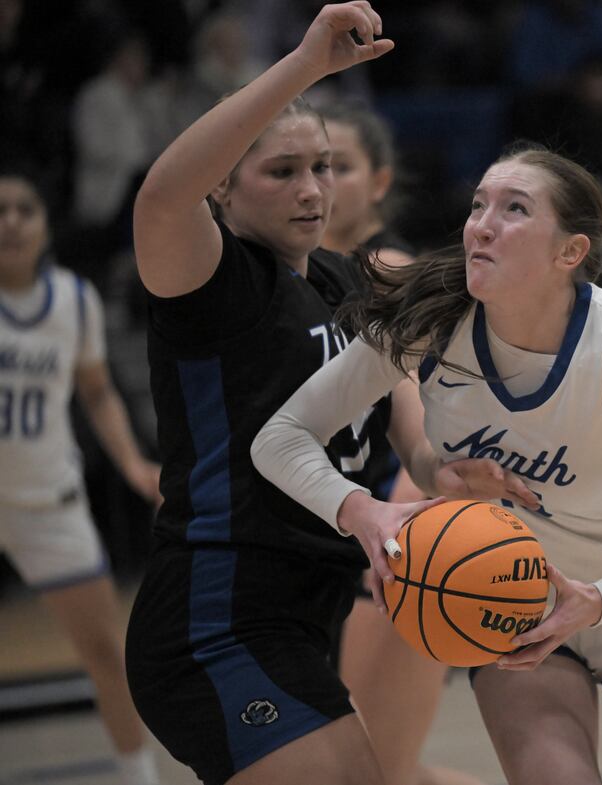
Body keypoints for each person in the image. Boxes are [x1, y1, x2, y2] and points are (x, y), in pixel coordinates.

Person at [252, 141, 602, 784]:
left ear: (569, 252)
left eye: (514, 209)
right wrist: (362, 511)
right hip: (509, 608)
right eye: (479, 204)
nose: (482, 224)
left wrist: (598, 600)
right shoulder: (426, 325)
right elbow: (280, 436)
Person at [124, 5, 534, 784]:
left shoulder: (349, 283)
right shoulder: (212, 281)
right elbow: (159, 198)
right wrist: (308, 64)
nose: (312, 189)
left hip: (306, 616)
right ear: (222, 188)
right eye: (282, 171)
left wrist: (442, 470)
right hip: (216, 622)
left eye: (321, 168)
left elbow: (405, 422)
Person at [321, 101, 485, 785]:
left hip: (391, 550)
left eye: (339, 166)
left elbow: (435, 414)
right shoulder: (292, 278)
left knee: (370, 772)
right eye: (304, 166)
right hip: (317, 551)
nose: (321, 182)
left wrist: (402, 526)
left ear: (380, 182)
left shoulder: (389, 272)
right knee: (373, 772)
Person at [0, 169, 162, 785]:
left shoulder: (73, 299)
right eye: (0, 210)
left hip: (49, 503)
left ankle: (137, 775)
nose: (11, 221)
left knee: (104, 653)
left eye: (24, 209)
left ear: (44, 226)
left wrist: (131, 466)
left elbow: (97, 394)